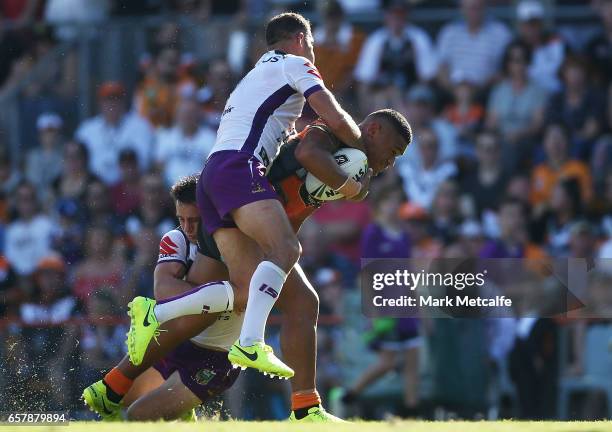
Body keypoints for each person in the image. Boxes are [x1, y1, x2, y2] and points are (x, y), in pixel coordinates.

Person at [103, 111, 411, 422]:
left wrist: (284, 246)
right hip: (239, 220)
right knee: (202, 310)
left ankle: (305, 407)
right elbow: (306, 152)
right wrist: (350, 187)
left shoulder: (348, 160)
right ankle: (119, 376)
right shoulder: (330, 134)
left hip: (254, 235)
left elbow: (298, 212)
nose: (392, 161)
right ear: (373, 130)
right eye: (394, 151)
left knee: (293, 303)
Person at [126, 12, 375, 383]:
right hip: (239, 168)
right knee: (286, 250)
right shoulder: (295, 64)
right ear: (300, 39)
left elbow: (276, 132)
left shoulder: (255, 75)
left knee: (245, 290)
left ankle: (155, 318)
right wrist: (365, 153)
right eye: (312, 45)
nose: (314, 53)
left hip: (214, 171)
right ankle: (250, 342)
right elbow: (335, 117)